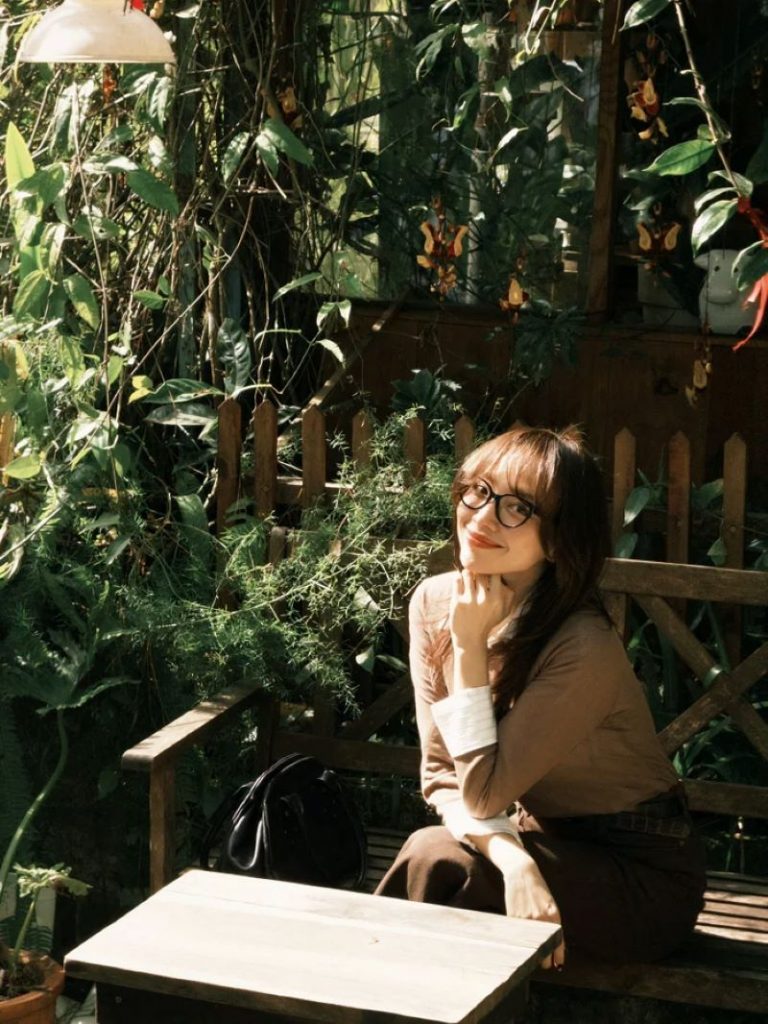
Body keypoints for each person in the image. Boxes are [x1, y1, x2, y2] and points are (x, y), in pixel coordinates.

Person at [375, 425, 706, 968]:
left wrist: (469, 647)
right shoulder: (435, 603)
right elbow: (441, 776)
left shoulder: (582, 645)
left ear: (557, 540)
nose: (481, 517)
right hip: (538, 840)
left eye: (517, 507)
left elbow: (481, 793)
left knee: (435, 859)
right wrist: (513, 861)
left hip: (639, 872)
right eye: (477, 491)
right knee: (438, 860)